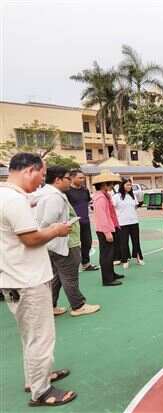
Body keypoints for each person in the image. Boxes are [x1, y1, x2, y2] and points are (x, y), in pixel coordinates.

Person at [0, 153, 77, 407]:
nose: (42, 182)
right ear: (29, 171)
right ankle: (42, 391)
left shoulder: (6, 195)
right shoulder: (14, 200)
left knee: (30, 335)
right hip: (28, 279)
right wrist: (56, 230)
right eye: (42, 175)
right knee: (40, 337)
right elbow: (31, 239)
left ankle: (35, 379)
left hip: (14, 276)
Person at [35, 166, 101, 317]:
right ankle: (78, 305)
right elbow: (48, 221)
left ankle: (50, 305)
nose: (70, 181)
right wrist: (62, 227)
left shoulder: (45, 193)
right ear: (57, 180)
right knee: (69, 275)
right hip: (64, 243)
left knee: (56, 276)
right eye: (67, 178)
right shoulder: (54, 197)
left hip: (53, 243)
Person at [92, 170, 124, 287]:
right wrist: (107, 232)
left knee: (111, 253)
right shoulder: (100, 198)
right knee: (106, 254)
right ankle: (107, 279)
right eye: (110, 183)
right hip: (105, 229)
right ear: (103, 184)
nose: (112, 186)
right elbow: (102, 216)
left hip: (111, 227)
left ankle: (111, 274)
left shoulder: (106, 195)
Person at [66, 169, 98, 271]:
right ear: (72, 178)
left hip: (85, 221)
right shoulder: (67, 191)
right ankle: (71, 266)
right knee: (72, 245)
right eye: (80, 178)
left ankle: (86, 263)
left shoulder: (85, 190)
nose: (82, 180)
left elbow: (88, 202)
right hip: (73, 222)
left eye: (83, 178)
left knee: (87, 243)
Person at [113, 178, 144, 269]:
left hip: (134, 222)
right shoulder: (116, 196)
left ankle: (138, 258)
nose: (129, 186)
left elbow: (135, 207)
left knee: (136, 241)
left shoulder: (133, 195)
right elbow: (112, 209)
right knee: (123, 242)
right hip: (122, 223)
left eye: (130, 185)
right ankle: (125, 260)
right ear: (122, 186)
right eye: (127, 185)